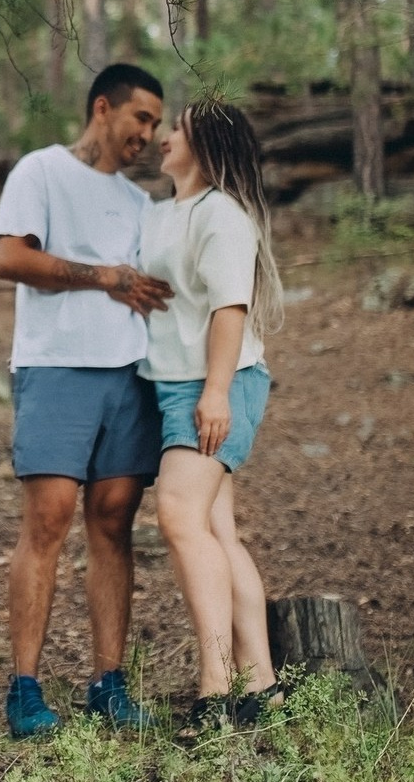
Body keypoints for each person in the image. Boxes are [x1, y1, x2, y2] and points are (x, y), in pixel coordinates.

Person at [0, 63, 173, 737]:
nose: (148, 135)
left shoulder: (140, 203)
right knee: (49, 520)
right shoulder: (40, 171)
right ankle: (25, 689)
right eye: (141, 118)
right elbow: (10, 258)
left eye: (155, 124)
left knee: (114, 521)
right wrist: (105, 276)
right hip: (55, 366)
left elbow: (157, 284)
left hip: (131, 374)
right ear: (104, 108)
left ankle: (108, 682)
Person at [138, 99, 285, 730]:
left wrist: (216, 393)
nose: (164, 137)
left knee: (178, 517)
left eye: (177, 129)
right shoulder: (166, 211)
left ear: (207, 146)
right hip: (174, 385)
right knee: (216, 532)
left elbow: (231, 308)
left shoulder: (223, 215)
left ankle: (215, 689)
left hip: (216, 384)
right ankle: (263, 686)